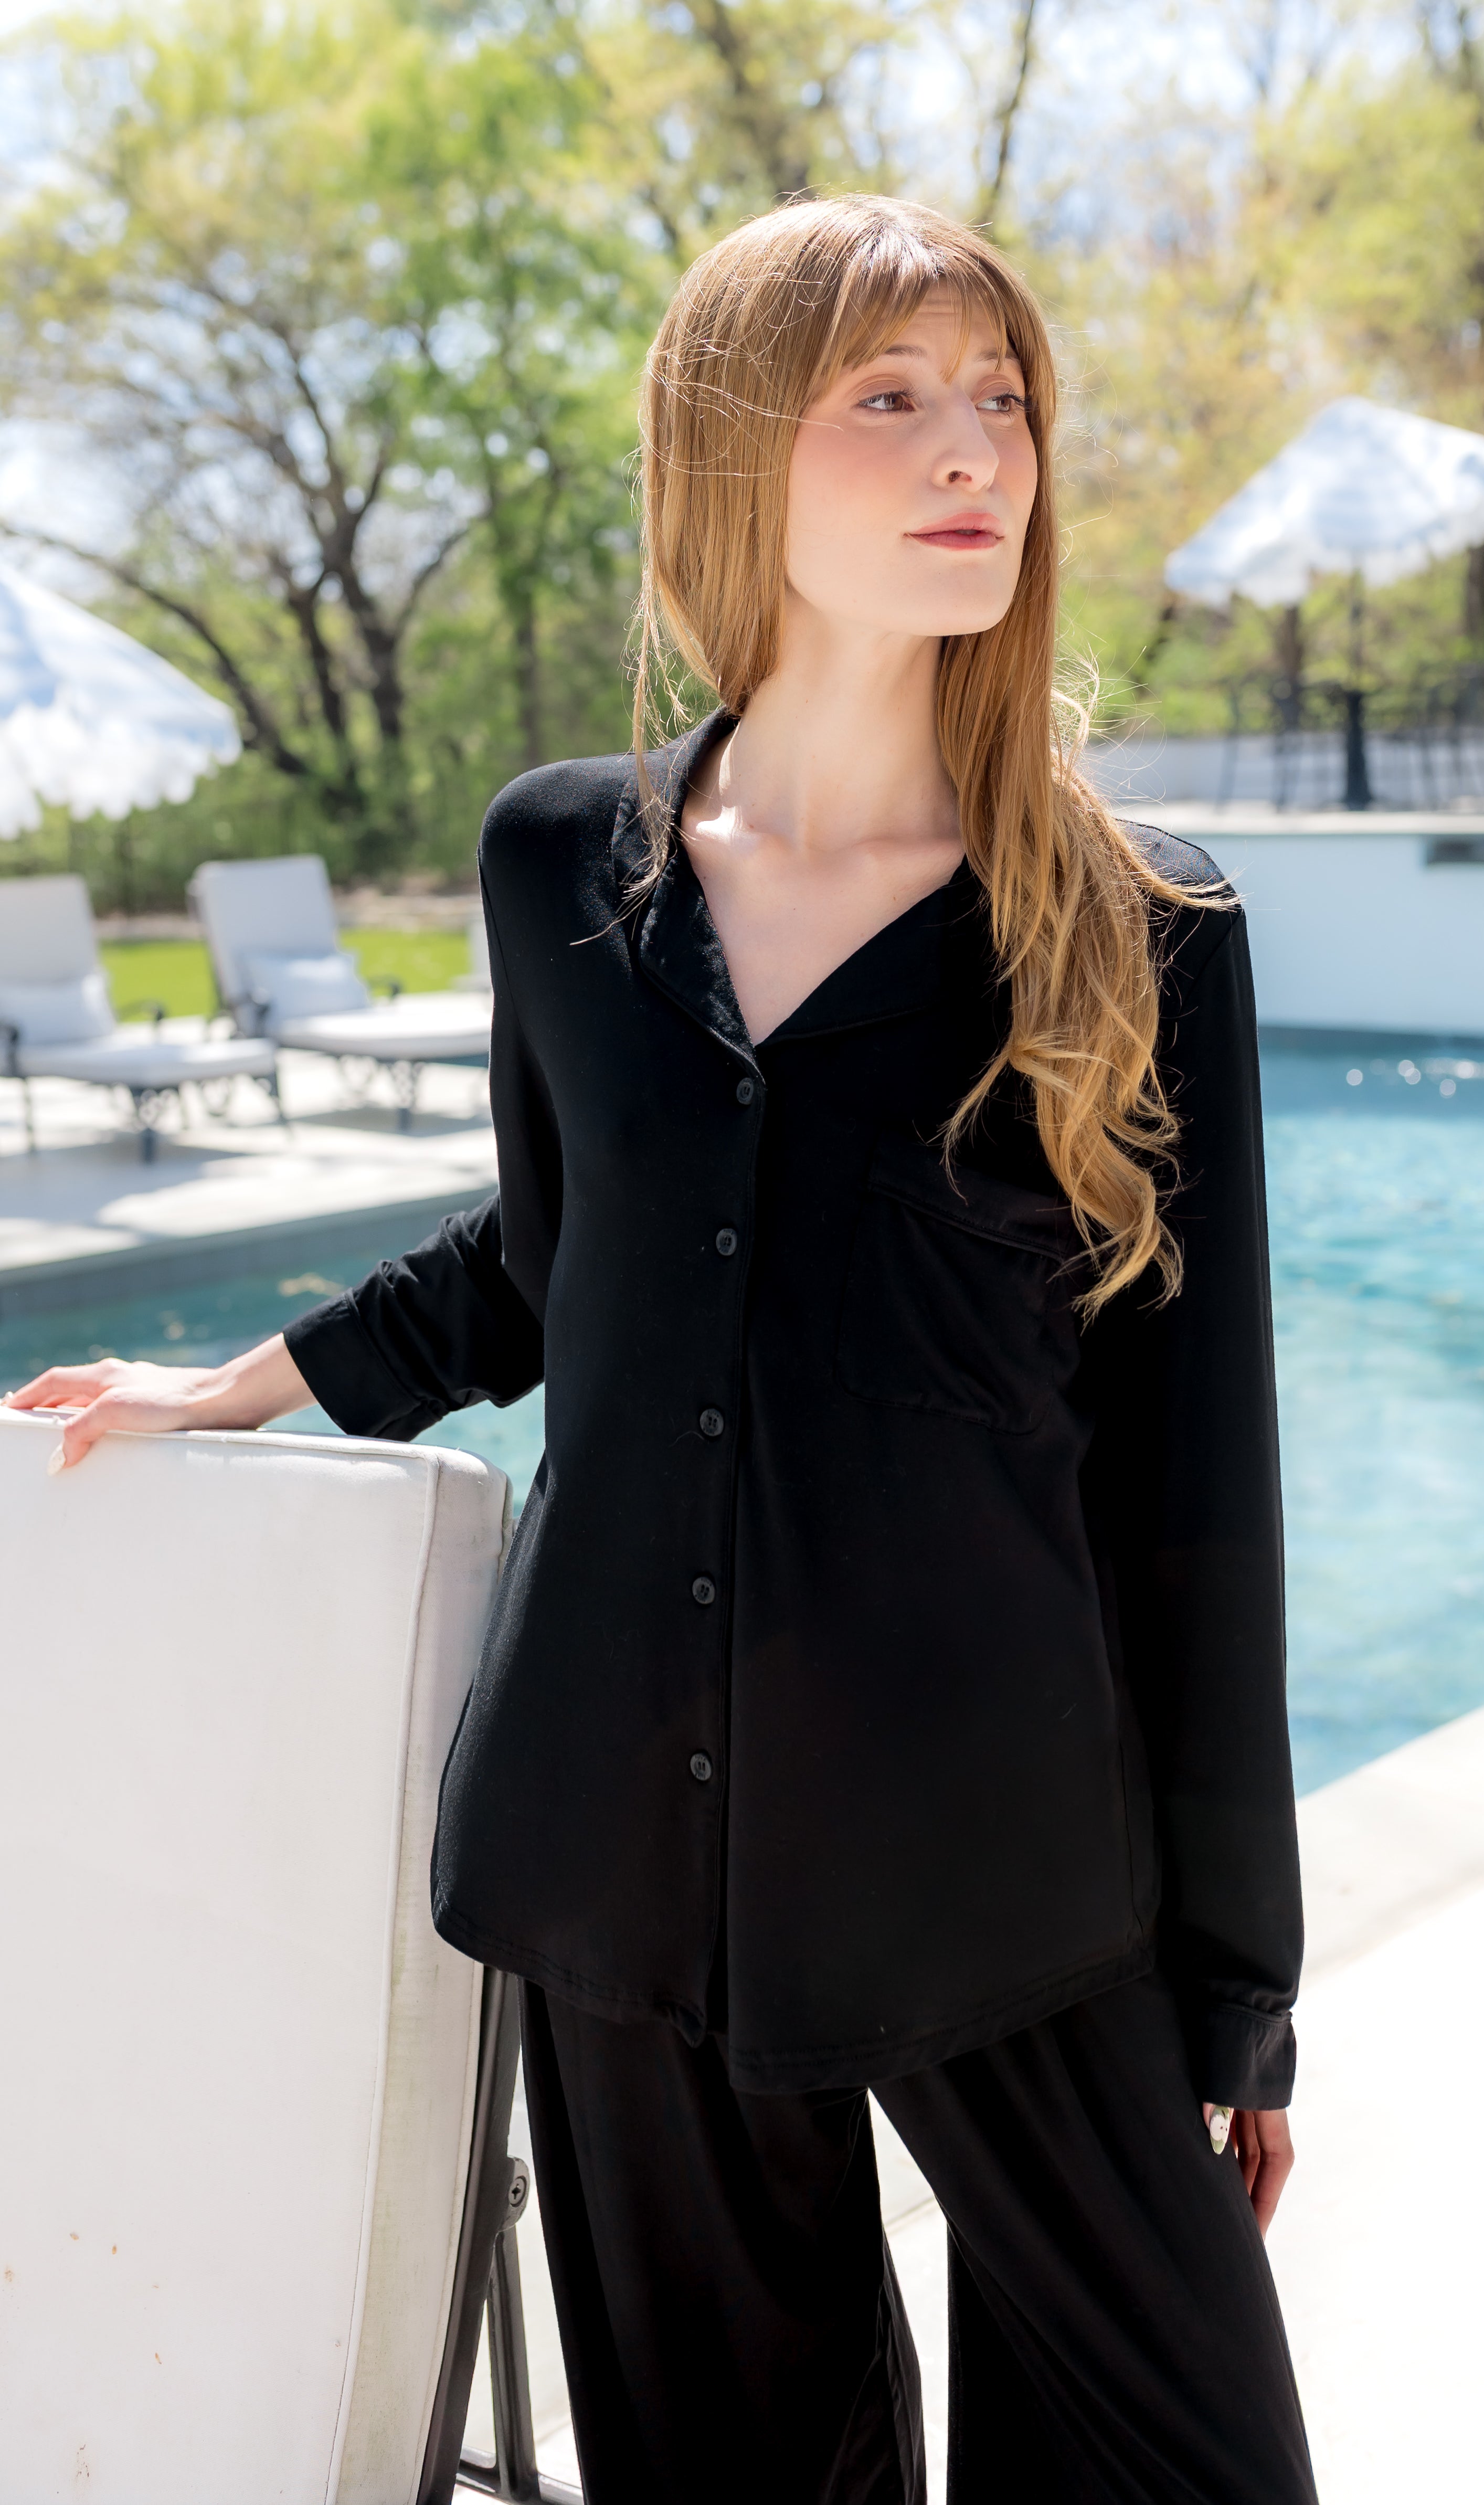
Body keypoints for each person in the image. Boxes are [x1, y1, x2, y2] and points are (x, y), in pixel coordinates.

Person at [8, 197, 1316, 2504]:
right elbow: (550, 1254)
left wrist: (1238, 1989)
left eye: (1002, 396)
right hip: (619, 1838)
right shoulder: (560, 871)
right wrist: (252, 1383)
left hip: (1007, 1871)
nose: (973, 453)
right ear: (735, 457)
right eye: (890, 397)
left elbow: (1196, 1494)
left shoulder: (1140, 928)